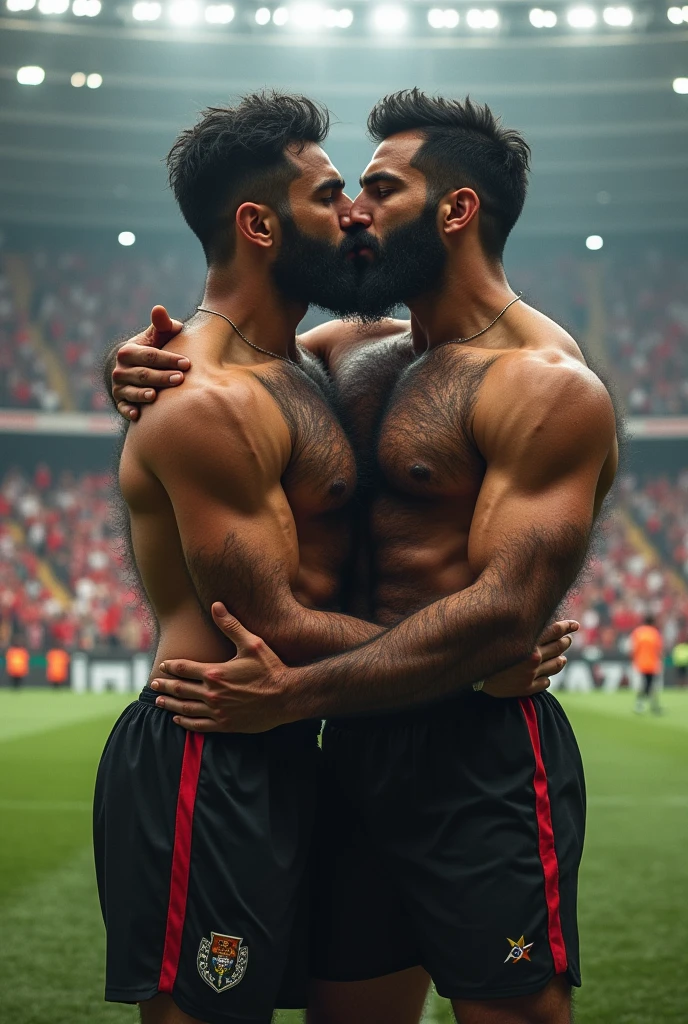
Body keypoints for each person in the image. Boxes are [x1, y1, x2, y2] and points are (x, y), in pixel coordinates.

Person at [107, 91, 614, 1024]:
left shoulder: (545, 383)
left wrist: (477, 647)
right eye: (340, 192)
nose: (352, 213)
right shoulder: (346, 355)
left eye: (376, 189)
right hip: (337, 744)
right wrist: (137, 362)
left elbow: (505, 611)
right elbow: (231, 365)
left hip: (463, 748)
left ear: (455, 210)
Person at [631, 614, 664, 714]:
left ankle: (652, 705)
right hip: (652, 663)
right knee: (649, 684)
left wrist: (634, 659)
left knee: (648, 684)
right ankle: (642, 705)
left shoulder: (638, 632)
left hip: (640, 662)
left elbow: (634, 648)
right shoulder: (655, 633)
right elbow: (658, 649)